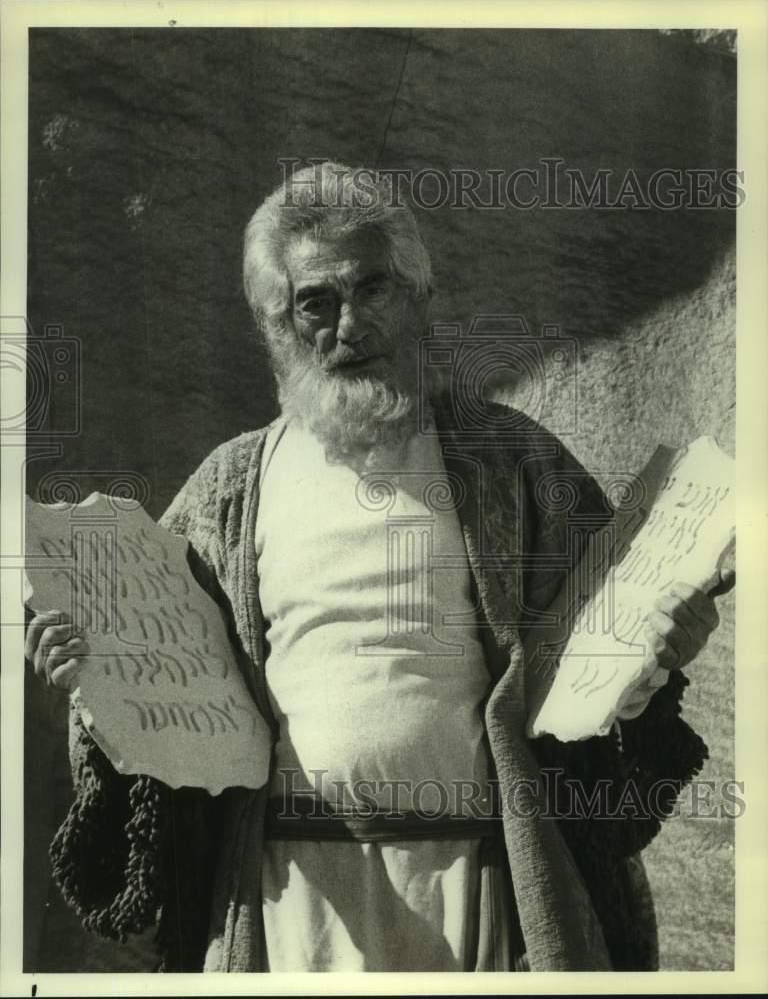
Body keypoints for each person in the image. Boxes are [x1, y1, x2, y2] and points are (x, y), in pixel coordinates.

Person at [25, 162, 733, 973]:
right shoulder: (228, 491)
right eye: (315, 303)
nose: (350, 324)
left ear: (419, 295)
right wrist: (93, 684)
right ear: (277, 325)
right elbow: (164, 693)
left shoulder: (514, 464)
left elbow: (605, 665)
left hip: (477, 887)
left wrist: (660, 656)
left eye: (373, 289)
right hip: (288, 899)